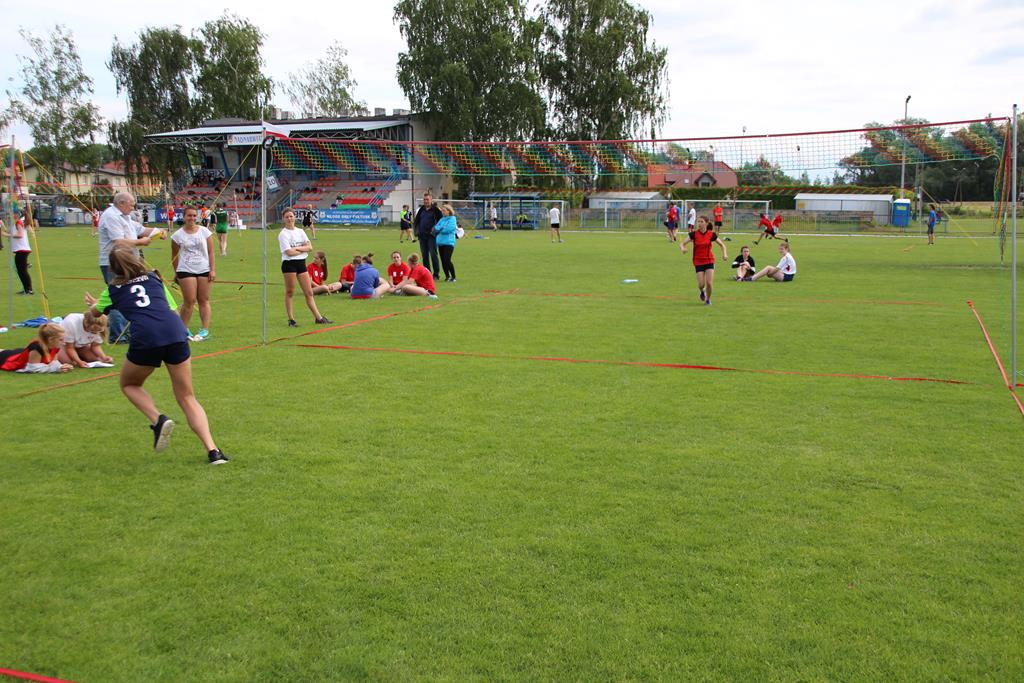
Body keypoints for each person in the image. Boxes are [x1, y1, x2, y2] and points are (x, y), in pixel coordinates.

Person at [85, 244, 229, 464]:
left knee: (129, 384)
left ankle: (158, 419)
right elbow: (172, 309)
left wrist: (96, 304)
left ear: (112, 269)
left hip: (146, 336)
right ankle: (214, 451)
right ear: (136, 259)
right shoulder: (154, 278)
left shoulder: (113, 290)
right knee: (187, 397)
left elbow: (93, 314)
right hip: (175, 331)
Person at [99, 192, 165, 344]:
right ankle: (118, 335)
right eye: (131, 205)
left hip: (130, 261)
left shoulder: (125, 217)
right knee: (118, 296)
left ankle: (128, 332)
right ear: (121, 203)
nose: (133, 207)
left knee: (130, 295)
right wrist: (141, 242)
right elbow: (118, 241)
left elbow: (140, 229)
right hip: (114, 263)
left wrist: (159, 232)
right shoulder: (111, 216)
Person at [279, 207, 332, 327]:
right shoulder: (283, 234)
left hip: (301, 263)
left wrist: (297, 249)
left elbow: (310, 247)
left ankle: (318, 318)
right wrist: (302, 249)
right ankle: (291, 320)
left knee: (309, 292)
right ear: (283, 219)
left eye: (291, 216)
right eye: (287, 217)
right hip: (289, 264)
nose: (289, 219)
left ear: (294, 217)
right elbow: (289, 252)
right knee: (290, 292)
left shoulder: (300, 231)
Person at [171, 207, 215, 341]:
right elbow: (174, 256)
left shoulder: (204, 231)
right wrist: (177, 273)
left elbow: (211, 252)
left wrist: (212, 269)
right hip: (185, 269)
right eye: (189, 215)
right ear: (184, 217)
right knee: (189, 301)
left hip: (204, 269)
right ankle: (183, 329)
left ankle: (204, 330)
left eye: (194, 215)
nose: (192, 218)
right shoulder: (177, 235)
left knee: (204, 300)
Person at [680, 215, 728, 306]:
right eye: (698, 221)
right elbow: (682, 243)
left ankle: (708, 300)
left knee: (709, 283)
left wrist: (725, 254)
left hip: (709, 260)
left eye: (701, 221)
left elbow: (722, 245)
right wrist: (683, 248)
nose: (699, 223)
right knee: (701, 285)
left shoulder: (711, 234)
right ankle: (702, 291)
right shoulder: (693, 234)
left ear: (706, 223)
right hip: (698, 261)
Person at [0, 323, 72, 373]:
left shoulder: (55, 346)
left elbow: (53, 362)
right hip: (7, 359)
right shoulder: (36, 347)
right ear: (50, 340)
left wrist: (61, 366)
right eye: (60, 340)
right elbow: (34, 368)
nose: (63, 342)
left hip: (19, 353)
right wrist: (56, 369)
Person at [414, 192, 443, 278]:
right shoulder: (421, 209)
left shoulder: (436, 210)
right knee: (424, 255)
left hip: (432, 236)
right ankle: (427, 274)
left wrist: (435, 230)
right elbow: (416, 221)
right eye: (424, 200)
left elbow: (441, 222)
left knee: (433, 255)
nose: (426, 201)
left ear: (431, 200)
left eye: (427, 199)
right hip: (422, 236)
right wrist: (417, 231)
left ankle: (436, 274)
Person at [10, 211, 34, 295]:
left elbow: (20, 235)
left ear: (17, 215)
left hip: (22, 250)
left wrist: (8, 235)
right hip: (21, 250)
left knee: (22, 271)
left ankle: (29, 290)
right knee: (21, 271)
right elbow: (28, 227)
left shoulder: (19, 222)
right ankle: (26, 289)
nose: (11, 215)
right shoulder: (19, 222)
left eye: (13, 213)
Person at [436, 204, 459, 282]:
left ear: (449, 211)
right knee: (443, 261)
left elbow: (448, 229)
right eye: (442, 210)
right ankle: (447, 276)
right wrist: (440, 228)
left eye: (444, 210)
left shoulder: (452, 219)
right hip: (440, 242)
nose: (442, 212)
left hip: (449, 242)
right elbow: (436, 227)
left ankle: (453, 277)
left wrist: (440, 229)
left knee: (447, 260)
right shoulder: (442, 219)